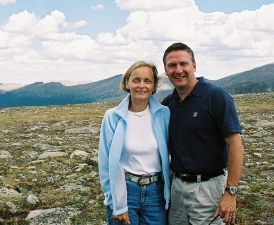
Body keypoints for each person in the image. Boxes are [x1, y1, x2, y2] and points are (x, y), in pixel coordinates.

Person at [161, 42, 244, 225]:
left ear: (194, 66)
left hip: (208, 188)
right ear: (166, 71)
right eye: (172, 65)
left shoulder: (216, 96)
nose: (178, 70)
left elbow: (235, 145)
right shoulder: (168, 104)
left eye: (184, 64)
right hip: (177, 188)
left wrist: (230, 193)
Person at [98, 60, 171, 225]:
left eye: (147, 81)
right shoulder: (113, 117)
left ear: (154, 86)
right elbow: (105, 163)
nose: (141, 85)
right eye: (136, 80)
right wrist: (116, 203)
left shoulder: (163, 114)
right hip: (125, 190)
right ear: (127, 83)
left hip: (156, 193)